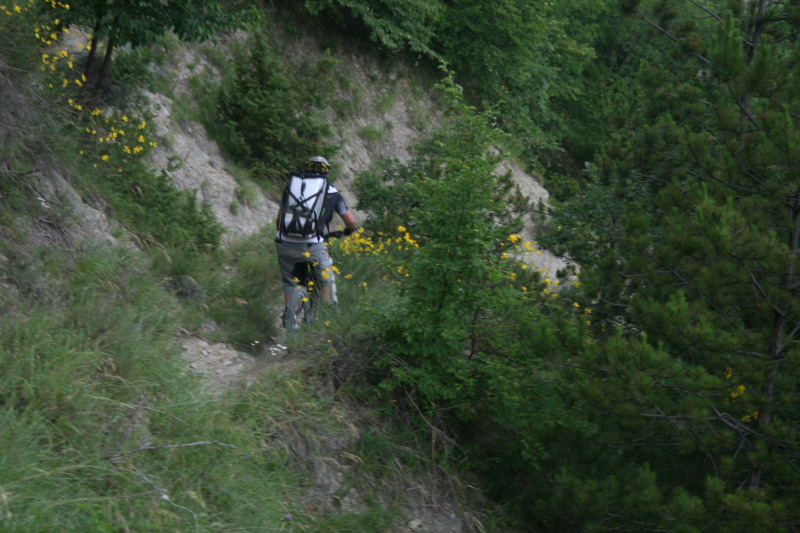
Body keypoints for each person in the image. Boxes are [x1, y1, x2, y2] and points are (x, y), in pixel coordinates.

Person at [275, 156, 359, 327]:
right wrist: (350, 230)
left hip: (284, 243)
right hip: (312, 245)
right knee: (325, 277)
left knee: (291, 282)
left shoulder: (292, 187)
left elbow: (279, 219)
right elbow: (350, 221)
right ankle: (325, 312)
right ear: (328, 174)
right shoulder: (333, 192)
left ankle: (288, 315)